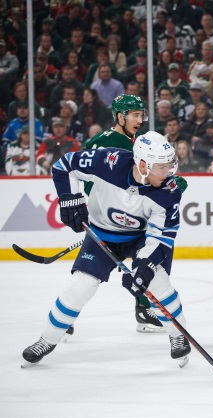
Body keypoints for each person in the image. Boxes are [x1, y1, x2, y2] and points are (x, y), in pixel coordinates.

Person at [21, 131, 192, 368]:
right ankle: (47, 339)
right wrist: (70, 199)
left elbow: (161, 237)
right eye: (161, 167)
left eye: (169, 166)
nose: (169, 173)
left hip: (140, 238)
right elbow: (65, 166)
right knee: (81, 284)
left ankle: (177, 334)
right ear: (142, 164)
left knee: (157, 282)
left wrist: (144, 267)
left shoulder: (169, 191)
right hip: (101, 232)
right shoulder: (108, 162)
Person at [83, 95, 186, 333]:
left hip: (133, 213)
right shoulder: (106, 140)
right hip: (114, 215)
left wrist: (170, 182)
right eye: (135, 115)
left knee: (153, 256)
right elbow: (96, 181)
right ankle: (68, 317)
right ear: (120, 116)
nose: (140, 119)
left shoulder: (137, 141)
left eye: (142, 114)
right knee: (89, 273)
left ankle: (144, 307)